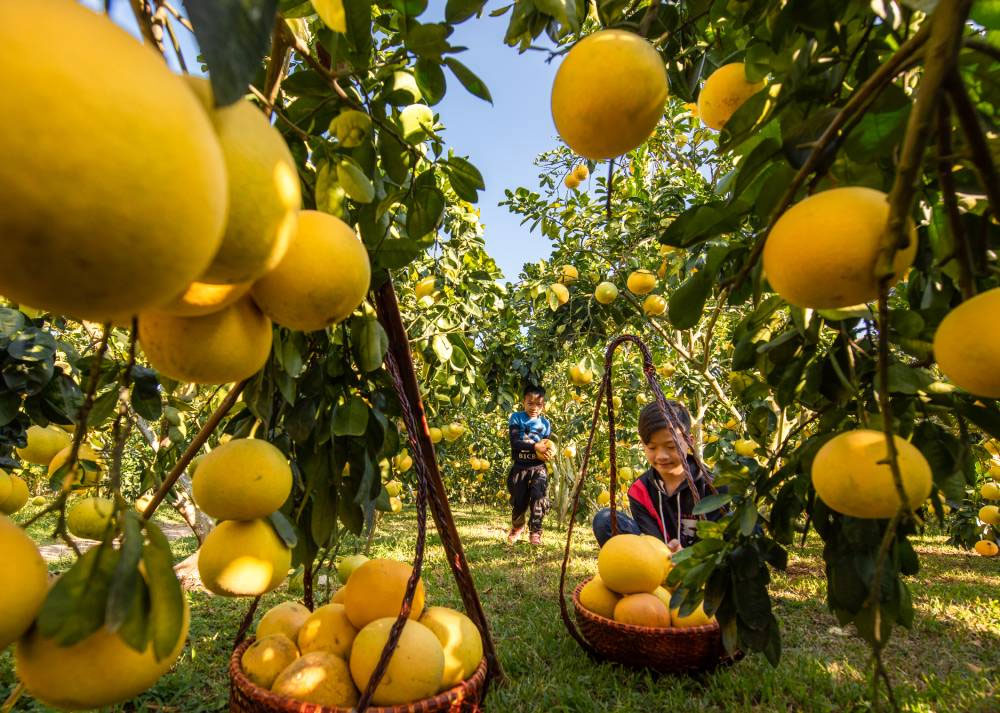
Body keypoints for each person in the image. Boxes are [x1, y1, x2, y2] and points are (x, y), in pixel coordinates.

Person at [593, 400, 724, 550]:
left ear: (689, 441)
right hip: (657, 557)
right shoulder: (640, 490)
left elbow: (715, 541)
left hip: (700, 560)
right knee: (605, 521)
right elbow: (652, 540)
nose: (661, 456)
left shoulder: (712, 486)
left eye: (671, 446)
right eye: (652, 447)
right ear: (643, 445)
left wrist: (686, 555)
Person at [506, 384, 553, 546]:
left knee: (539, 498)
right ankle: (518, 527)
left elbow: (546, 445)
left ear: (543, 405)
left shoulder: (545, 424)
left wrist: (548, 453)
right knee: (519, 501)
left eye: (538, 404)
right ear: (523, 402)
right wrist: (534, 446)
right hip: (520, 467)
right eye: (530, 403)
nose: (534, 408)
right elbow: (515, 442)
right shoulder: (516, 418)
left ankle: (535, 531)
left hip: (538, 468)